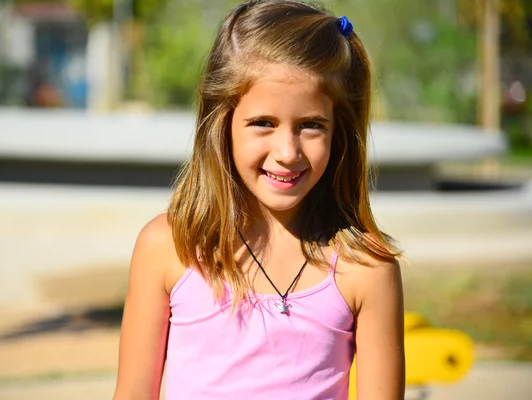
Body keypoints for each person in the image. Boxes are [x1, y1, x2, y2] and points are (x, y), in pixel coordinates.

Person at [113, 1, 405, 399]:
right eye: (263, 123)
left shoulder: (367, 269)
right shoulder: (168, 247)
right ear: (222, 122)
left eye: (311, 126)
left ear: (339, 131)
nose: (287, 151)